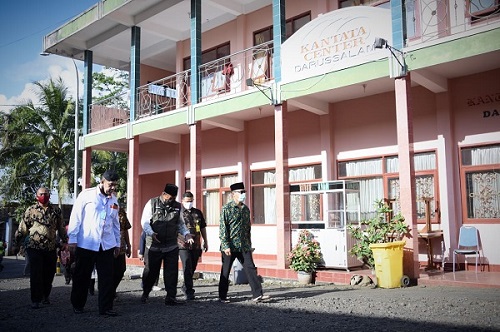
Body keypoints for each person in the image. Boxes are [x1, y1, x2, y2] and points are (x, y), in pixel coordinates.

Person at [67, 170, 121, 316]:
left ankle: (106, 308)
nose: (113, 188)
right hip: (87, 243)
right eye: (111, 184)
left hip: (106, 244)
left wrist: (117, 243)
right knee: (82, 276)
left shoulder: (114, 201)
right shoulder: (86, 195)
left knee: (107, 278)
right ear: (102, 181)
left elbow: (116, 224)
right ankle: (78, 304)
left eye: (115, 185)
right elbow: (76, 217)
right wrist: (72, 239)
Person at [14, 186, 68, 309]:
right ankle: (36, 299)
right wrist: (16, 242)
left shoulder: (56, 210)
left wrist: (65, 241)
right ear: (37, 196)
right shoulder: (31, 210)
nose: (44, 196)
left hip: (50, 247)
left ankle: (45, 296)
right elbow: (23, 228)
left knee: (49, 273)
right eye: (42, 194)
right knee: (36, 273)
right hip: (34, 247)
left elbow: (61, 227)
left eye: (46, 194)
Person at [140, 183, 193, 305]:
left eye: (174, 198)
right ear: (163, 194)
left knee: (171, 272)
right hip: (154, 245)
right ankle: (146, 292)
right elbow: (145, 222)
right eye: (170, 198)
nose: (171, 201)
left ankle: (171, 297)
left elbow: (180, 223)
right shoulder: (151, 203)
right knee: (151, 271)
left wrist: (186, 234)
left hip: (171, 245)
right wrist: (151, 233)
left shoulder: (178, 207)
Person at [218, 182, 269, 303]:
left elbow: (247, 229)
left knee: (251, 268)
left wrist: (249, 245)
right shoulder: (226, 209)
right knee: (225, 271)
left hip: (243, 246)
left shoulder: (246, 209)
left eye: (244, 192)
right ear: (233, 194)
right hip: (230, 246)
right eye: (240, 192)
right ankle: (222, 296)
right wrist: (225, 245)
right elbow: (223, 228)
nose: (243, 194)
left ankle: (257, 294)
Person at [178, 191, 208, 300]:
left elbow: (203, 227)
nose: (189, 203)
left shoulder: (197, 213)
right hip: (183, 245)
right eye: (187, 201)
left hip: (196, 245)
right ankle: (189, 292)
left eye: (191, 201)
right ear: (182, 201)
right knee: (187, 265)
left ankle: (185, 286)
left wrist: (205, 241)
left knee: (193, 267)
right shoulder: (179, 213)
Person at [113, 206, 132, 299]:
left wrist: (129, 245)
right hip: (108, 246)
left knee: (121, 269)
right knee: (109, 271)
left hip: (121, 246)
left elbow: (125, 229)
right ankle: (108, 292)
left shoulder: (120, 210)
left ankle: (112, 289)